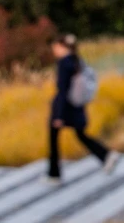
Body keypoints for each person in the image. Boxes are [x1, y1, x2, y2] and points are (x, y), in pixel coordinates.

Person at [45, 33, 118, 183]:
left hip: (65, 108)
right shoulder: (76, 60)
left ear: (61, 47)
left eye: (55, 47)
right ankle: (105, 155)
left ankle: (54, 174)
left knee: (54, 138)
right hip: (76, 107)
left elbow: (63, 90)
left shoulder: (64, 63)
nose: (54, 51)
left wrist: (58, 114)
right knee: (80, 135)